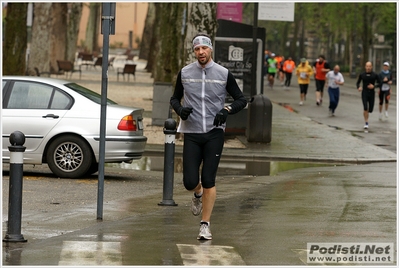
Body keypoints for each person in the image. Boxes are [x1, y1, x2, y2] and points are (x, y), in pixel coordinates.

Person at [170, 33, 247, 240]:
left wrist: (227, 110)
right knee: (189, 181)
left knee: (208, 179)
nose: (201, 52)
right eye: (197, 49)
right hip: (192, 132)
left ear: (210, 49)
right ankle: (197, 193)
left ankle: (205, 224)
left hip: (214, 133)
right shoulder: (185, 72)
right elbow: (174, 98)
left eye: (204, 48)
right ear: (194, 52)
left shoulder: (223, 73)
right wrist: (180, 110)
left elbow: (242, 99)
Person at [356, 61, 381, 129]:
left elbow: (380, 83)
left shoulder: (375, 75)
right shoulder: (362, 74)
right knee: (365, 107)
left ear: (372, 67)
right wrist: (359, 87)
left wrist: (374, 86)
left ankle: (368, 114)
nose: (368, 68)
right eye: (367, 66)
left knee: (370, 110)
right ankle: (366, 122)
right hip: (364, 93)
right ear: (365, 67)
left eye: (369, 66)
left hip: (372, 93)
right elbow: (357, 83)